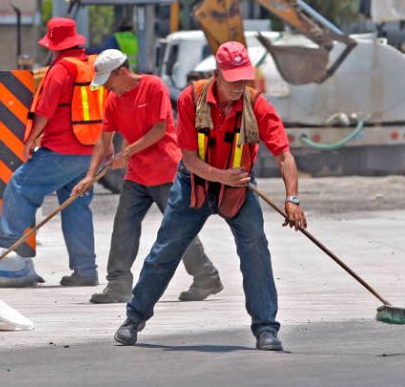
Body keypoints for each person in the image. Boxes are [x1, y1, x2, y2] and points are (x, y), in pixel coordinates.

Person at [113, 41, 307, 351]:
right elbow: (189, 158)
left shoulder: (256, 104)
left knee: (256, 250)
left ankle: (266, 329)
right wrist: (221, 176)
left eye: (244, 78)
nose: (238, 85)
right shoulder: (192, 99)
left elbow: (284, 154)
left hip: (238, 190)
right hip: (195, 185)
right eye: (232, 79)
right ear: (217, 74)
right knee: (165, 251)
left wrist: (292, 199)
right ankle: (134, 318)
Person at [71, 49, 223, 304]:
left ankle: (205, 276)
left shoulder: (153, 86)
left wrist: (126, 152)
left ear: (122, 72)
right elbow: (103, 141)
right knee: (124, 226)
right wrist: (89, 176)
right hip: (137, 175)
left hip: (166, 169)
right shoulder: (112, 99)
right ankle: (118, 284)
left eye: (109, 81)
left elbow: (160, 129)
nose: (108, 88)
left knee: (177, 228)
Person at [0, 17, 104, 286]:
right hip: (91, 151)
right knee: (76, 206)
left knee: (20, 187)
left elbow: (44, 110)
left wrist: (30, 139)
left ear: (53, 45)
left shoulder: (61, 69)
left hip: (62, 150)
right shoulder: (92, 66)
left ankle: (3, 257)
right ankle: (85, 270)